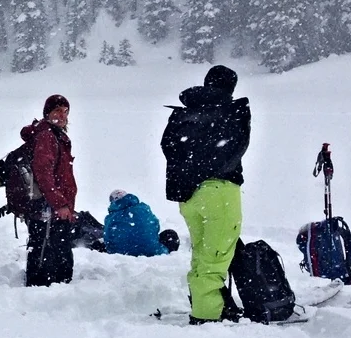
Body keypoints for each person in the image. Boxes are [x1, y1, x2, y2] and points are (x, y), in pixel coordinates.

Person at [161, 64, 250, 324]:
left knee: (202, 255)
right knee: (217, 256)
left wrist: (191, 174)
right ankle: (207, 316)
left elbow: (169, 148)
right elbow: (237, 147)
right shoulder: (233, 110)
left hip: (189, 196)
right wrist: (211, 169)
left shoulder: (185, 113)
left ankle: (205, 306)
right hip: (219, 192)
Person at [19, 94, 78, 287]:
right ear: (47, 113)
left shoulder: (54, 135)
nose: (62, 116)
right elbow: (43, 173)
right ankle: (43, 288)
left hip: (51, 205)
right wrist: (60, 203)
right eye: (57, 111)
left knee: (48, 246)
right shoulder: (47, 136)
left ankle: (51, 285)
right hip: (48, 207)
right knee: (47, 247)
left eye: (65, 111)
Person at [103, 190, 179, 257]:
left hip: (121, 255)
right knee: (170, 234)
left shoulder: (109, 218)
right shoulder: (143, 208)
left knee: (99, 243)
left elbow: (107, 238)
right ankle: (170, 257)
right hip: (152, 252)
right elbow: (155, 226)